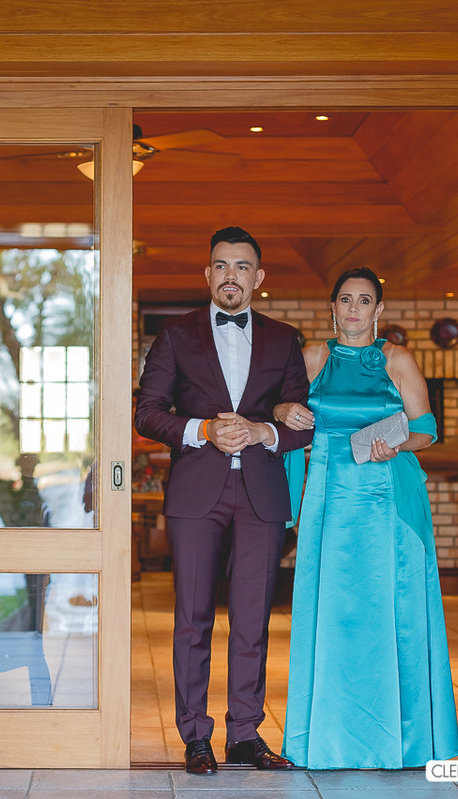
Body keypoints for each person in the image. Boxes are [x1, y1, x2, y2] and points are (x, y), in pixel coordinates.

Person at [134, 226, 313, 775]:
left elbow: (302, 421)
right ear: (207, 274)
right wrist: (203, 428)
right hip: (196, 493)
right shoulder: (173, 336)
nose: (230, 275)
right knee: (191, 620)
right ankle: (195, 737)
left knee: (254, 620)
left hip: (261, 493)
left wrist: (266, 431)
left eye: (241, 266)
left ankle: (244, 735)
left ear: (258, 278)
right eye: (220, 265)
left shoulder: (285, 340)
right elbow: (146, 413)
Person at [274, 266, 458, 769]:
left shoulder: (397, 359)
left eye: (363, 301)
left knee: (388, 613)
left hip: (385, 501)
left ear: (379, 310)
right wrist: (284, 409)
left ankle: (401, 741)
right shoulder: (312, 356)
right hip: (328, 499)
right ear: (332, 307)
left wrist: (392, 446)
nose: (353, 309)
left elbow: (425, 432)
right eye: (345, 300)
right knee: (331, 613)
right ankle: (325, 741)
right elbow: (283, 412)